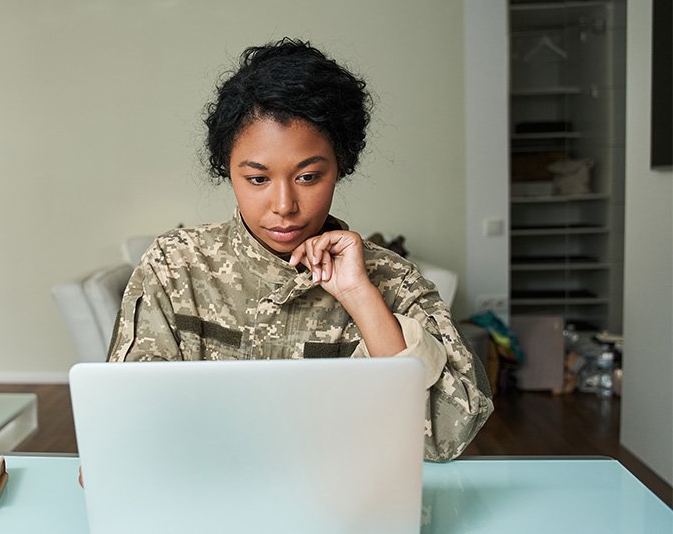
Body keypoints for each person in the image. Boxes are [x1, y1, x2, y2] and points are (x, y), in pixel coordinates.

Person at [106, 38, 493, 462]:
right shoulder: (176, 265)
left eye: (308, 177)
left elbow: (445, 439)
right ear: (228, 170)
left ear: (339, 166)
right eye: (257, 179)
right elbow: (128, 419)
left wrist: (361, 299)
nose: (284, 205)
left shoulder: (393, 281)